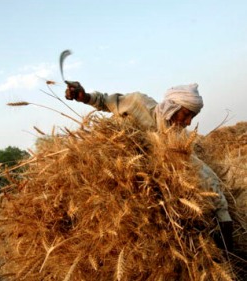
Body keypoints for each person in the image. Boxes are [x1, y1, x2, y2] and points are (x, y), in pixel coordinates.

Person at [65, 81, 233, 251]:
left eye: (193, 117)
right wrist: (84, 97)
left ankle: (226, 248)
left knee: (210, 182)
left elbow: (208, 180)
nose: (189, 122)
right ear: (171, 107)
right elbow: (107, 102)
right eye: (186, 114)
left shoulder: (179, 141)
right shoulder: (139, 104)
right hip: (126, 176)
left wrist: (223, 215)